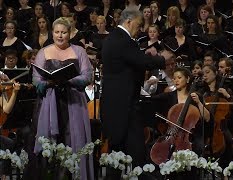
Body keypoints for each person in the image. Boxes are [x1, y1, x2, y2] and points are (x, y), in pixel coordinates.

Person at [100, 8, 173, 179]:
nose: (140, 30)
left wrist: (141, 55)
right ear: (129, 21)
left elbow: (130, 61)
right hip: (125, 105)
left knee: (119, 151)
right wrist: (163, 59)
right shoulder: (124, 40)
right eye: (139, 25)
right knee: (134, 150)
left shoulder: (112, 38)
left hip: (115, 103)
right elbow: (140, 61)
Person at [32, 17, 94, 180]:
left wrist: (69, 80)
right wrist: (48, 82)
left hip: (73, 102)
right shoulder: (43, 52)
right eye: (57, 32)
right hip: (50, 103)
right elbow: (36, 80)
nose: (60, 36)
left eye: (64, 32)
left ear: (70, 33)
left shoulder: (79, 51)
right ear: (52, 33)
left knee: (73, 141)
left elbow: (88, 76)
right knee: (51, 144)